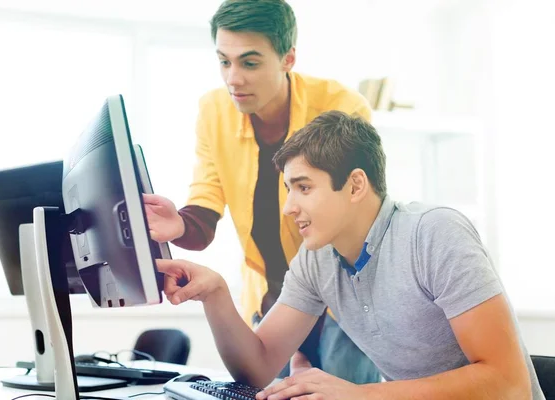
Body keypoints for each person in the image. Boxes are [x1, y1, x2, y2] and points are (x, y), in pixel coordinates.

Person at [155, 110, 545, 399]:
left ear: (356, 185)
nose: (289, 207)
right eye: (289, 189)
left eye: (303, 188)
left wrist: (358, 395)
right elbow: (256, 368)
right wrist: (216, 295)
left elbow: (508, 382)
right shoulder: (317, 260)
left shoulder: (435, 233)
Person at [144, 0, 380, 383]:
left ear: (288, 59)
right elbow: (206, 200)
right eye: (224, 61)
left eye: (249, 63)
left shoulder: (341, 108)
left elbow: (356, 218)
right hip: (272, 296)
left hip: (344, 300)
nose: (233, 78)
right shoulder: (213, 110)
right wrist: (180, 224)